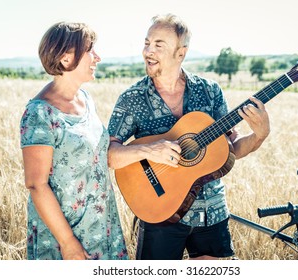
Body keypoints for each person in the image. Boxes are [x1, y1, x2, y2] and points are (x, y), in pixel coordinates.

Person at [107, 14, 270, 260]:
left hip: (211, 211)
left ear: (180, 53)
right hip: (159, 209)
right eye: (147, 43)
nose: (148, 51)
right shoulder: (132, 98)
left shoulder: (210, 91)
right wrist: (149, 151)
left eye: (158, 45)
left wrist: (259, 136)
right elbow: (109, 155)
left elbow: (231, 148)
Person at [19, 22, 128, 260]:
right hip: (65, 236)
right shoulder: (39, 113)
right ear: (67, 58)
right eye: (90, 50)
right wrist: (68, 242)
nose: (97, 57)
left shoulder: (86, 100)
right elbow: (36, 184)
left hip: (102, 226)